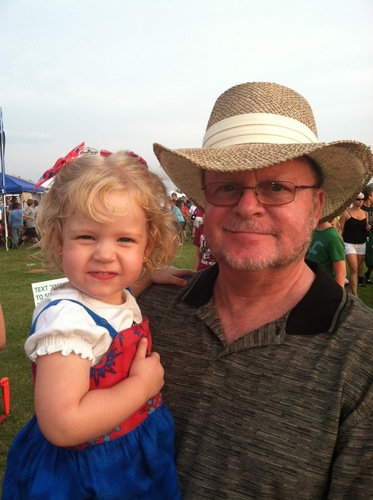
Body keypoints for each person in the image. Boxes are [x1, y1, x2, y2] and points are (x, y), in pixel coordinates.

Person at [137, 82, 373, 498]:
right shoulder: (145, 311)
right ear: (204, 203)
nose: (247, 207)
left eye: (277, 187)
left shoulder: (361, 357)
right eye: (227, 186)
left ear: (316, 206)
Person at [2, 149, 181, 499]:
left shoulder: (112, 293)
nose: (104, 254)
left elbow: (121, 293)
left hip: (131, 455)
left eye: (125, 239)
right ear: (59, 241)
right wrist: (141, 388)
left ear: (148, 246)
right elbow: (62, 424)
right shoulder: (68, 320)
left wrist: (148, 277)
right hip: (87, 473)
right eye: (87, 237)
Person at [339, 192, 371, 295]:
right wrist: (339, 240)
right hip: (349, 243)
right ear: (353, 199)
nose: (361, 201)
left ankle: (350, 291)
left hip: (361, 243)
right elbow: (341, 229)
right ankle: (355, 295)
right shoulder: (346, 213)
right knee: (354, 269)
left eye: (362, 199)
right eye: (358, 199)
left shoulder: (365, 214)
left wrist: (368, 228)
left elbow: (366, 228)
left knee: (357, 268)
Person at [306, 219, 346, 287]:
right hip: (308, 281)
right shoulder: (313, 231)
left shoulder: (333, 237)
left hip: (323, 284)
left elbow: (341, 273)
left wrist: (337, 294)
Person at [361, 184, 373, 283]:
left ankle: (367, 274)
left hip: (372, 236)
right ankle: (360, 277)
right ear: (369, 196)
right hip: (364, 236)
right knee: (365, 259)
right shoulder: (361, 209)